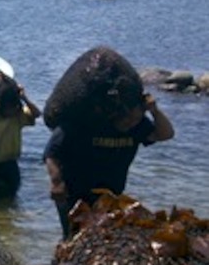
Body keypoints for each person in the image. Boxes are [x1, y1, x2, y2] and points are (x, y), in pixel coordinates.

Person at [44, 93, 174, 239]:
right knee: (73, 236)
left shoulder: (137, 126)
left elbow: (166, 134)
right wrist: (56, 182)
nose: (130, 123)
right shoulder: (85, 122)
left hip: (110, 196)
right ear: (114, 112)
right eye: (126, 118)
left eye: (136, 119)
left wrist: (154, 111)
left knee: (102, 237)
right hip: (73, 193)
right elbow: (51, 153)